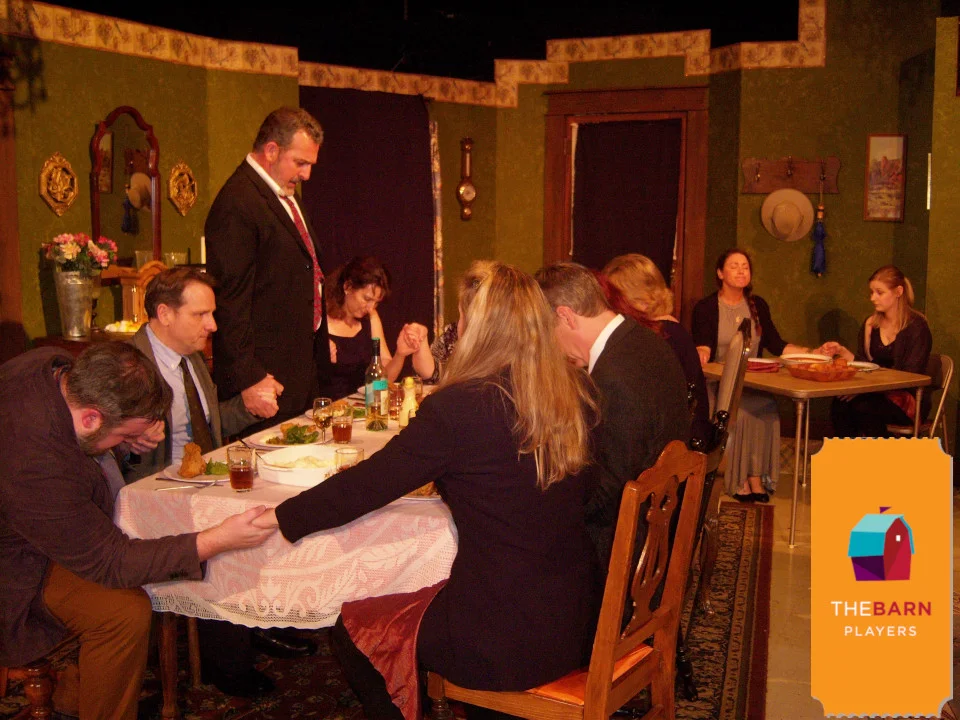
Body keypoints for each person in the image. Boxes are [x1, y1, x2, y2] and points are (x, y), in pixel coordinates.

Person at [252, 263, 602, 719]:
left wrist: (279, 518)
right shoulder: (577, 392)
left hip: (502, 638)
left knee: (354, 627)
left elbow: (366, 485)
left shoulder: (460, 408)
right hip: (579, 618)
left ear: (477, 329)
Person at [0, 342, 276, 720]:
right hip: (15, 563)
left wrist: (123, 443)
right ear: (92, 418)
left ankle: (77, 691)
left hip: (35, 524)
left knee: (136, 582)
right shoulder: (35, 458)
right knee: (123, 612)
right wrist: (214, 540)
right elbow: (112, 562)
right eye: (120, 434)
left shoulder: (52, 367)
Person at [127, 267, 314, 696]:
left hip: (200, 481)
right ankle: (226, 659)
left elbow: (209, 426)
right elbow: (97, 444)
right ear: (164, 313)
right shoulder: (128, 363)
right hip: (150, 494)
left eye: (212, 314)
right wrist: (128, 445)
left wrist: (246, 406)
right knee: (234, 530)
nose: (212, 325)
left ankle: (257, 621)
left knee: (270, 511)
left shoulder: (191, 360)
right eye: (201, 315)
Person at [535, 261, 691, 571]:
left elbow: (608, 492)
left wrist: (545, 512)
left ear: (565, 316)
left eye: (547, 330)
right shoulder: (643, 340)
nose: (550, 344)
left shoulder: (613, 377)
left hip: (627, 549)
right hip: (656, 522)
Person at [205, 106, 330, 430]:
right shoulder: (237, 202)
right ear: (271, 150)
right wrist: (249, 378)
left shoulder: (285, 194)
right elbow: (230, 301)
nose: (306, 175)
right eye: (300, 163)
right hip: (264, 380)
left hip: (299, 371)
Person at [691, 248, 816, 502]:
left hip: (752, 382)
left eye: (745, 267)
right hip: (719, 383)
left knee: (767, 407)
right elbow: (703, 346)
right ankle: (738, 479)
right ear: (720, 273)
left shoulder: (757, 305)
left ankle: (756, 476)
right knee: (744, 412)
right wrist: (701, 352)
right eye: (734, 266)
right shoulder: (706, 307)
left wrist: (812, 353)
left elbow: (777, 344)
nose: (741, 271)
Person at [602, 253, 711, 446]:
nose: (608, 308)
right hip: (682, 439)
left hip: (676, 449)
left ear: (643, 300)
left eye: (614, 300)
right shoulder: (671, 330)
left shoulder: (659, 337)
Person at [824, 265, 933, 437]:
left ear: (898, 292)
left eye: (879, 293)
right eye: (872, 292)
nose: (873, 298)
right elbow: (865, 365)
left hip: (906, 397)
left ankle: (878, 454)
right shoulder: (871, 324)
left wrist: (867, 389)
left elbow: (910, 376)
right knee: (841, 402)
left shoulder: (917, 327)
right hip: (874, 391)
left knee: (864, 407)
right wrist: (843, 352)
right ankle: (849, 452)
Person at [320, 256, 433, 399]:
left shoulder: (371, 318)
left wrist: (400, 354)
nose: (370, 307)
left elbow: (384, 381)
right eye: (367, 299)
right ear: (348, 287)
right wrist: (320, 356)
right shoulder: (320, 319)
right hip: (328, 406)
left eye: (376, 302)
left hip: (364, 405)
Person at [404, 260, 497, 384]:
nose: (460, 323)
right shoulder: (451, 334)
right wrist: (421, 344)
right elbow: (433, 373)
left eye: (463, 314)